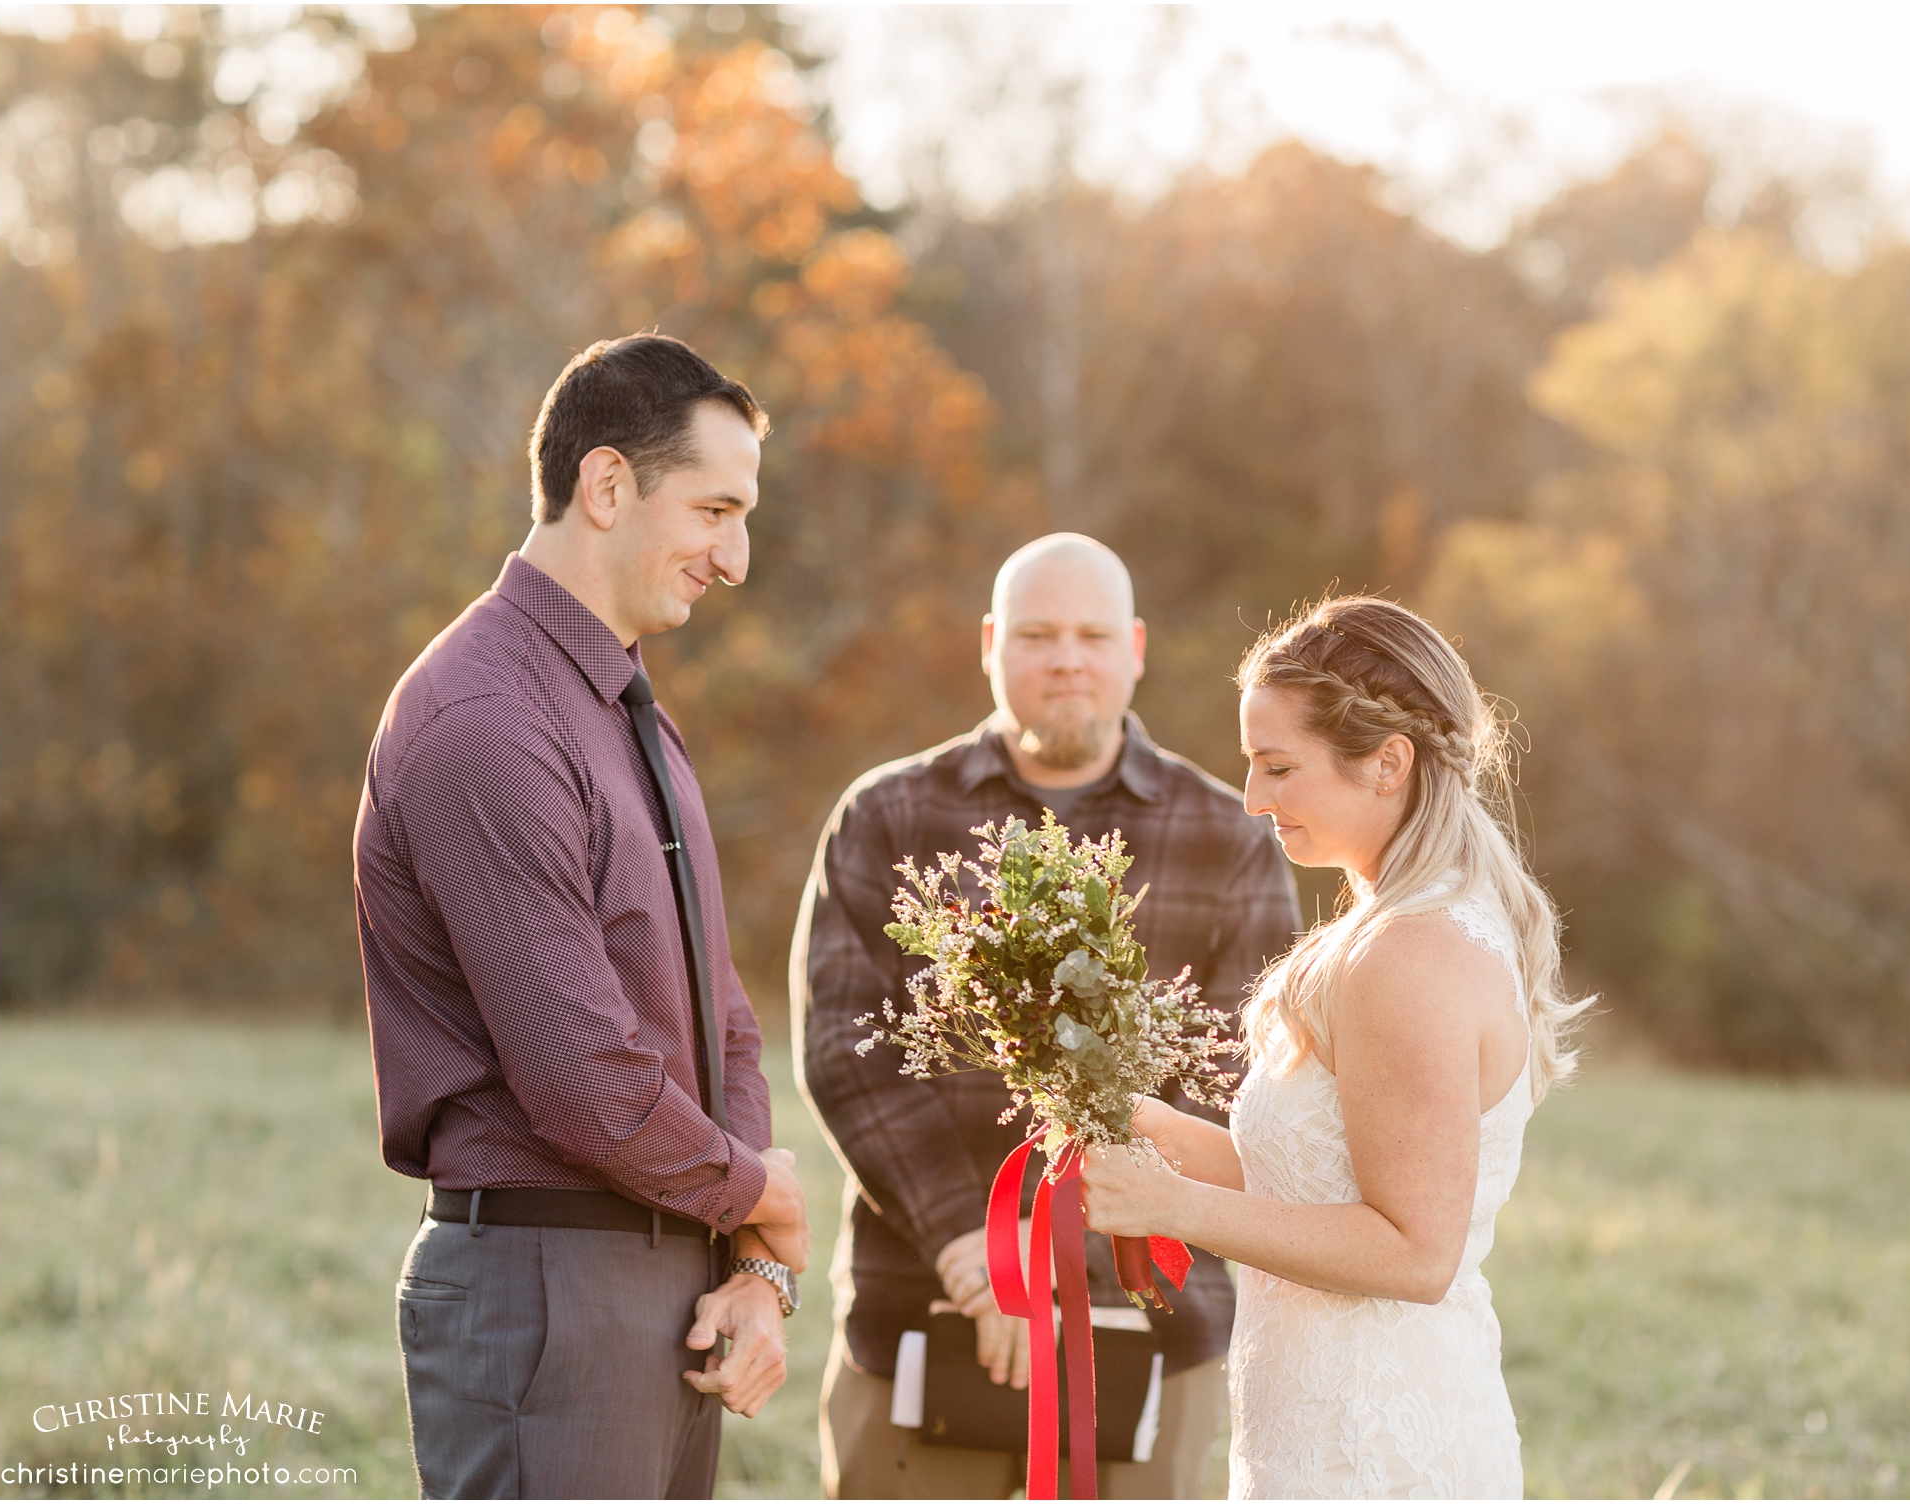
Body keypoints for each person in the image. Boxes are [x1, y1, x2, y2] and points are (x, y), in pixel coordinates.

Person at [353, 334, 810, 1499]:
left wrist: (757, 1257)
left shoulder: (630, 713)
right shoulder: (485, 716)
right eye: (714, 509)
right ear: (606, 486)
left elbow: (725, 1023)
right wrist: (758, 1192)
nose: (737, 556)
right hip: (545, 1292)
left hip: (671, 1284)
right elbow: (581, 1078)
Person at [794, 533, 1301, 1499]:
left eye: (1092, 634)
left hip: (1153, 1324)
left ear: (1136, 648)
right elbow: (843, 1055)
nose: (1067, 657)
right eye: (1036, 633)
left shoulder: (1228, 835)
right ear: (989, 643)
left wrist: (1088, 1239)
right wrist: (977, 1261)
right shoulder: (887, 816)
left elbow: (1251, 1078)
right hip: (922, 1312)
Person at [1079, 595, 1593, 1499]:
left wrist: (1172, 1206)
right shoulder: (1398, 926)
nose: (1251, 800)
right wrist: (1146, 1126)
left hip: (1373, 1443)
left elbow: (1412, 1251)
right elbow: (1316, 1182)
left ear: (1387, 763)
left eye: (1278, 767)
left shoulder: (1410, 956)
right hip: (1317, 1421)